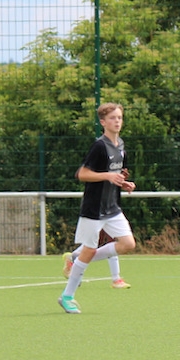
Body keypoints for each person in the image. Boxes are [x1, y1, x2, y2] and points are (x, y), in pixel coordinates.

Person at [58, 102, 137, 314]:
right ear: (103, 122)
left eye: (119, 117)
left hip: (112, 207)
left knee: (128, 244)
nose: (117, 121)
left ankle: (77, 258)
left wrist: (123, 183)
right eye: (112, 118)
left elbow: (117, 174)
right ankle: (67, 296)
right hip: (94, 209)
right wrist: (108, 176)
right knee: (90, 249)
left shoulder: (121, 146)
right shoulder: (99, 146)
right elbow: (82, 174)